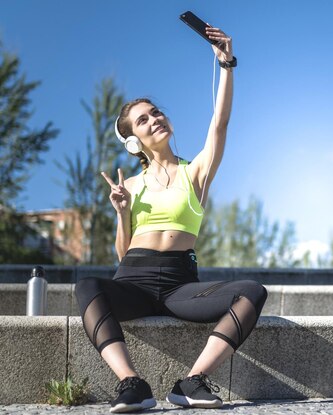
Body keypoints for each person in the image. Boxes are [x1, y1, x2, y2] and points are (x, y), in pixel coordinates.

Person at [74, 24, 267, 413]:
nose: (154, 120)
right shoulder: (128, 184)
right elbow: (122, 253)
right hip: (133, 280)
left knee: (252, 291)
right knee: (87, 286)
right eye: (143, 121)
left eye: (156, 112)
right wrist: (122, 213)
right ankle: (132, 383)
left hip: (181, 285)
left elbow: (220, 124)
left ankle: (192, 381)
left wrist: (227, 64)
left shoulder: (194, 172)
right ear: (133, 141)